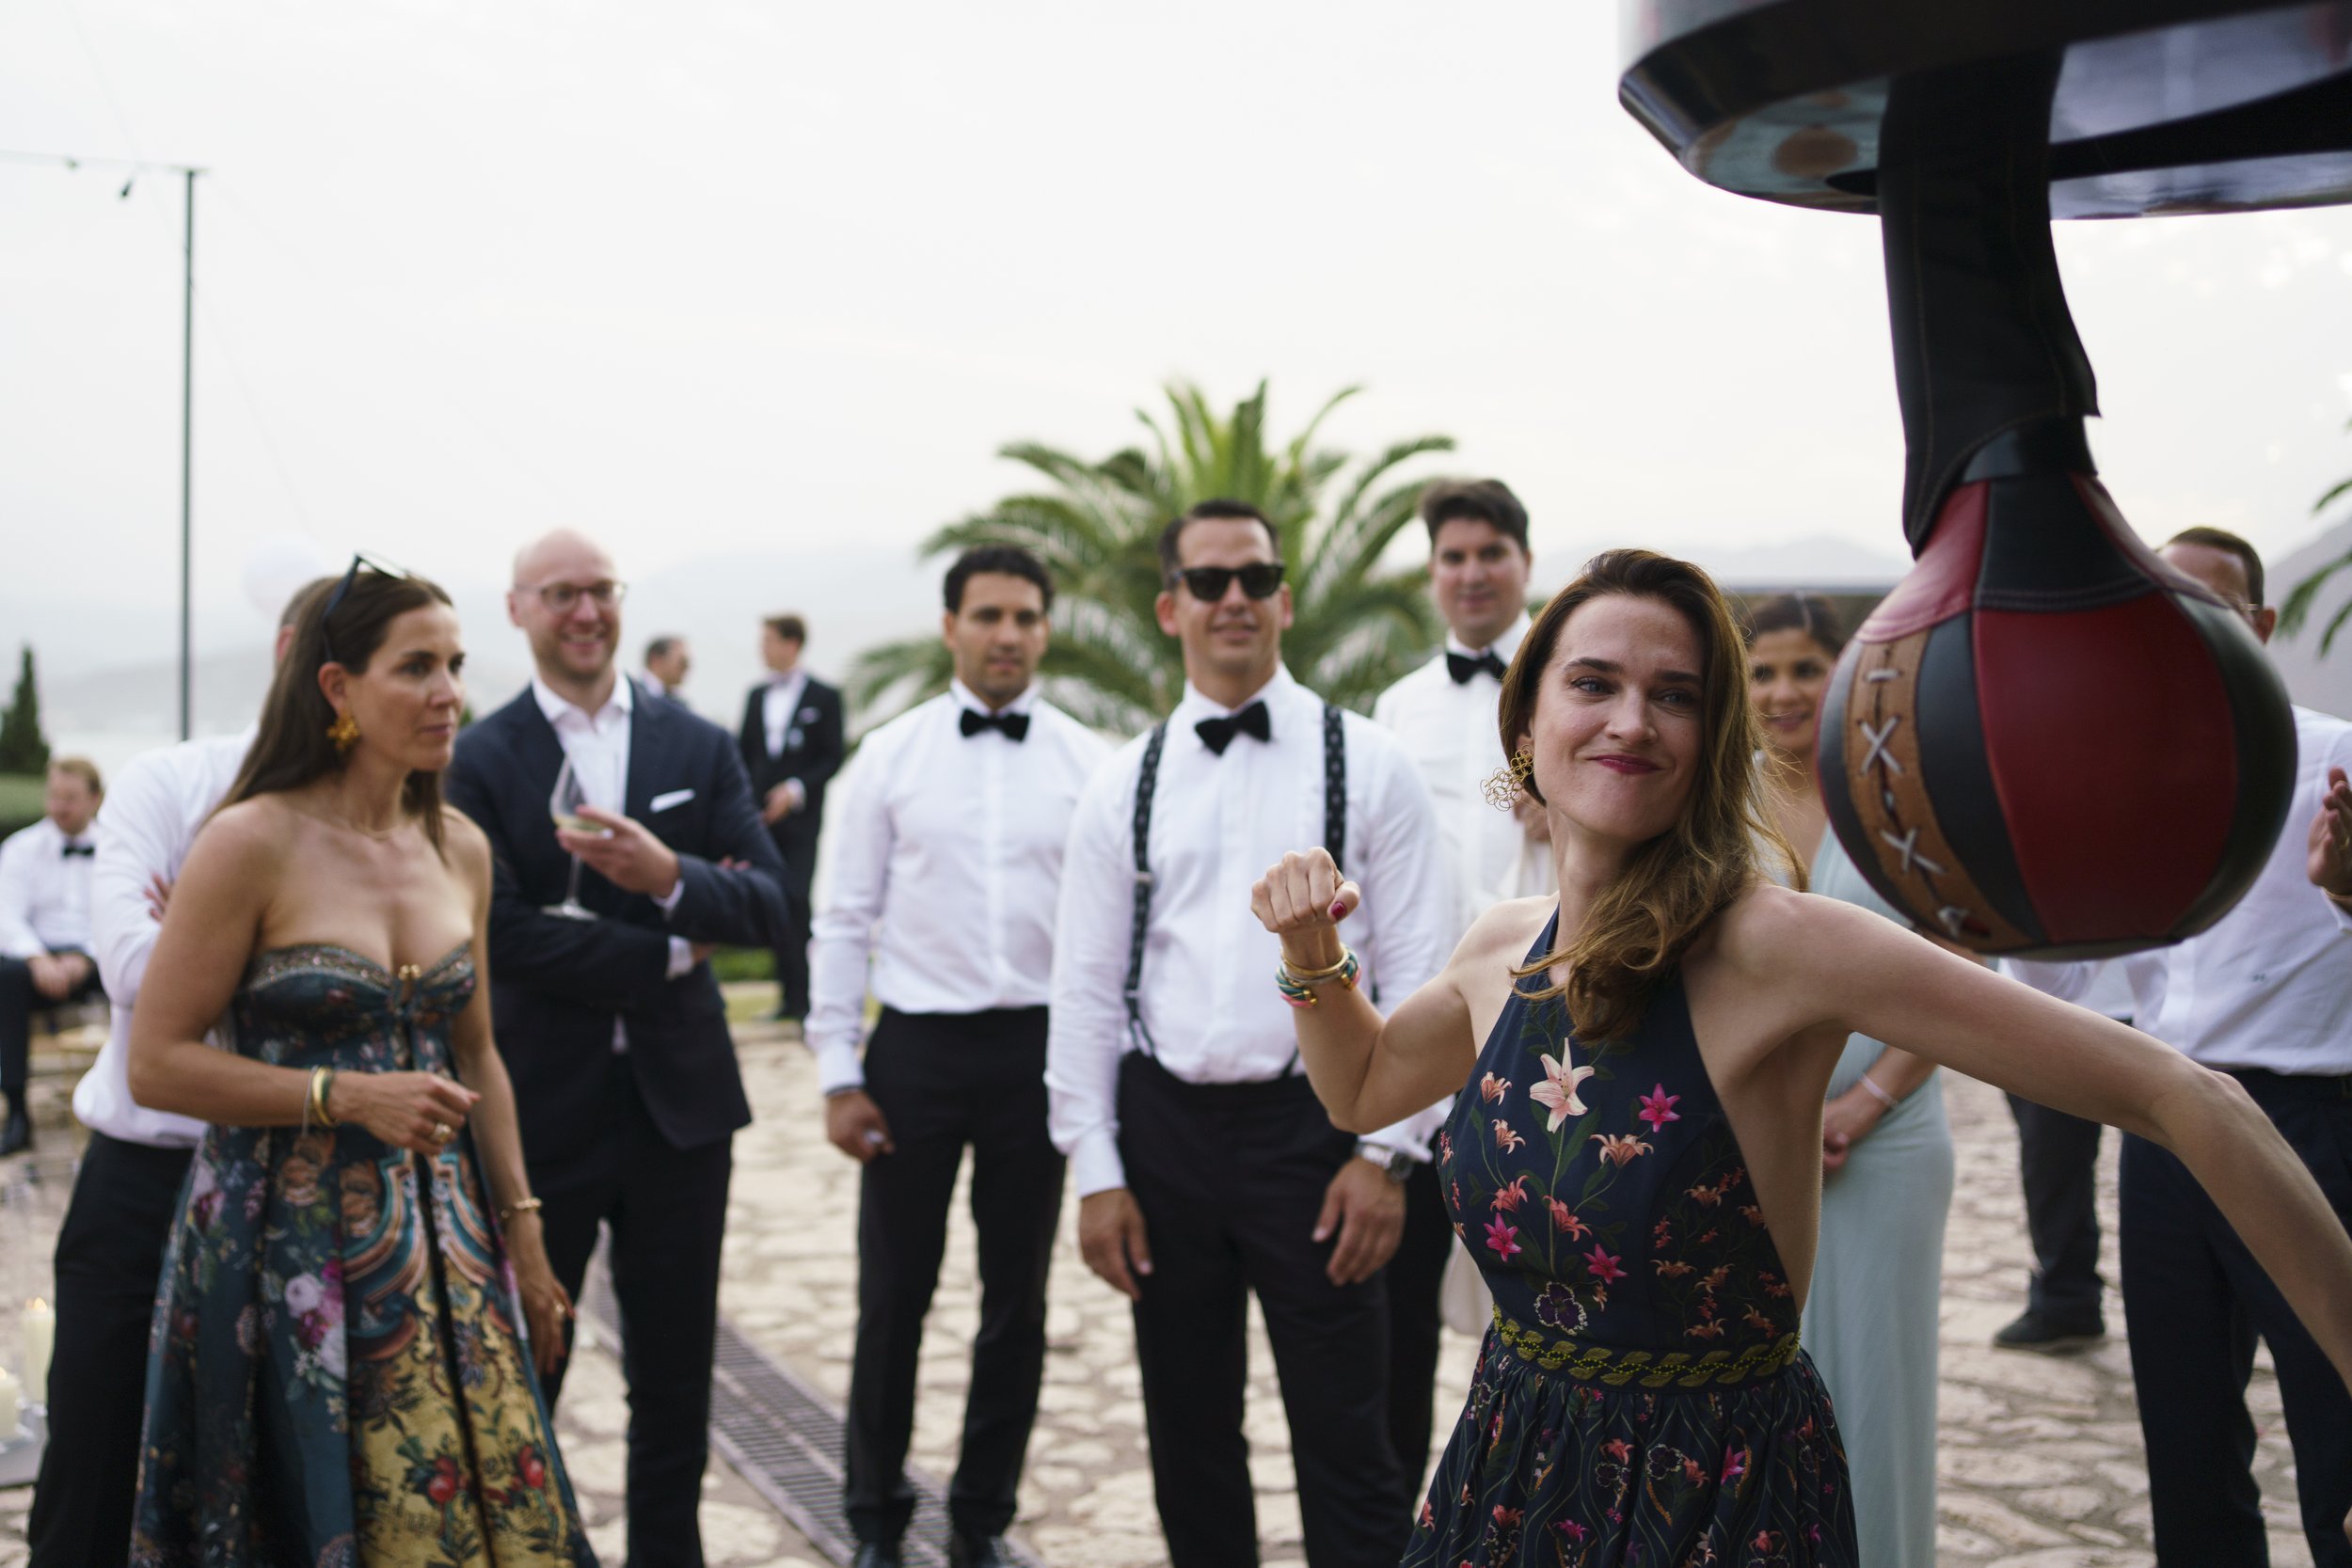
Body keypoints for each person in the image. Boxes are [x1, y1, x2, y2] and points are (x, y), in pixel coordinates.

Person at [1248, 546, 2352, 1567]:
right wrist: (1314, 954)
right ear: (1525, 724)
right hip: (1511, 1469)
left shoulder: (1784, 944)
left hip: (1714, 1500)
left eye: (1674, 694)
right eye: (1592, 682)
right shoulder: (1501, 946)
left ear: (1709, 738)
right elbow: (1363, 1083)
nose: (1632, 720)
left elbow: (2183, 1094)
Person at [122, 559, 594, 1565]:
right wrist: (342, 1094)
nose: (447, 692)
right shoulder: (249, 840)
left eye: (456, 664)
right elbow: (156, 1064)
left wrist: (527, 1234)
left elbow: (480, 1052)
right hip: (279, 1251)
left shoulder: (458, 845)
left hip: (450, 1247)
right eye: (415, 666)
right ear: (337, 687)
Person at [1047, 499, 1453, 1568]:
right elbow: (1085, 986)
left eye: (1256, 579)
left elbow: (1424, 978)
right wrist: (1095, 1168)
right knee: (1186, 1435)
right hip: (1163, 1129)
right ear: (1169, 604)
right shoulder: (1119, 780)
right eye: (1211, 581)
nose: (1236, 599)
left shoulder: (1370, 763)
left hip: (1317, 1131)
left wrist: (1385, 1157)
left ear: (1283, 597)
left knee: (1348, 1436)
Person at [2008, 526, 2352, 1567]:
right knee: (2185, 1432)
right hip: (2160, 1117)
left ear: (2258, 624)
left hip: (2314, 1125)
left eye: (2207, 606)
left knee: (2337, 1417)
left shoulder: (2341, 760)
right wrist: (2030, 887)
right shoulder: (2111, 777)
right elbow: (2053, 985)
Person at [444, 530, 788, 1568]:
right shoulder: (478, 756)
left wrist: (668, 874)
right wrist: (675, 941)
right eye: (561, 594)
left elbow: (770, 901)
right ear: (517, 609)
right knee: (525, 1368)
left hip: (683, 1110)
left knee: (677, 1379)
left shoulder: (697, 742)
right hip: (541, 1110)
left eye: (600, 590)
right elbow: (497, 931)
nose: (585, 611)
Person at [810, 545, 1110, 1568]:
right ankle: (872, 1517)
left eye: (1026, 615)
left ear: (1044, 628)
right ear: (951, 626)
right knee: (894, 1290)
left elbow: (1115, 930)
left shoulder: (1089, 761)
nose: (1007, 633)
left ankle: (981, 1516)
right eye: (987, 614)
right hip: (917, 1051)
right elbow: (841, 917)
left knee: (1015, 1298)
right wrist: (837, 1071)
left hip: (1034, 1050)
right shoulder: (887, 759)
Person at [24, 584, 321, 1567]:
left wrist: (193, 925)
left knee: (288, 1475)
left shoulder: (377, 820)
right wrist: (307, 963)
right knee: (91, 1458)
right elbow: (136, 974)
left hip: (302, 1180)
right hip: (143, 1176)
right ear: (300, 657)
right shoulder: (166, 781)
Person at [1749, 591, 1953, 1568]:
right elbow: (1528, 775)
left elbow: (1967, 968)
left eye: (1803, 667)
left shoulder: (1899, 790)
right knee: (1748, 1406)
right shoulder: (1711, 802)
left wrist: (1867, 1101)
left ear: (1843, 676)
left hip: (1888, 1138)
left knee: (1875, 1391)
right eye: (1760, 670)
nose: (1783, 690)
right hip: (1742, 1150)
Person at [1371, 477, 1554, 1499]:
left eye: (1490, 552)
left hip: (1550, 1034)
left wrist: (1545, 802)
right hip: (1431, 1037)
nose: (1472, 572)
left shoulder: (1570, 676)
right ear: (1433, 572)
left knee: (1532, 1311)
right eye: (1453, 556)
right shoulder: (1400, 706)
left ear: (1523, 560)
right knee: (1399, 1317)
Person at [1994, 958, 2130, 1353]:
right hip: (2034, 1005)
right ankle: (2067, 1300)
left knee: (2169, 1171)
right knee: (2049, 1164)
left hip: (2145, 1005)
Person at [738, 612, 844, 1026]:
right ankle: (787, 996)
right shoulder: (755, 696)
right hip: (761, 821)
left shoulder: (825, 696)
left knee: (798, 901)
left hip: (801, 821)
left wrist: (795, 790)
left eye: (767, 640)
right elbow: (744, 754)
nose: (761, 649)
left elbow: (832, 756)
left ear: (791, 643)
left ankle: (808, 997)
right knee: (773, 902)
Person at [0, 756, 106, 1156]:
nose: (59, 806)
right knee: (6, 979)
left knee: (145, 970)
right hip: (35, 963)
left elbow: (121, 914)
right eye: (54, 796)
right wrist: (38, 959)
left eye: (70, 798)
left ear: (94, 799)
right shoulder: (21, 848)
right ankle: (16, 1112)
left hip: (96, 960)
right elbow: (5, 915)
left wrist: (87, 958)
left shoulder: (115, 848)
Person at [643, 635, 691, 701]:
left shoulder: (679, 699)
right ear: (657, 660)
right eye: (682, 662)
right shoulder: (635, 696)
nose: (686, 667)